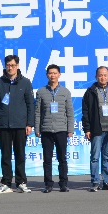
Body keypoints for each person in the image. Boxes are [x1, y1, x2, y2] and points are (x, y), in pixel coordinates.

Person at [0, 54, 35, 194]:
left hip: (20, 124)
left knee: (20, 155)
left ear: (18, 66)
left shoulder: (25, 82)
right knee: (5, 155)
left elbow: (30, 105)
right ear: (5, 66)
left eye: (13, 65)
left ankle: (21, 182)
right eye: (8, 65)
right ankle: (6, 183)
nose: (10, 68)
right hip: (3, 124)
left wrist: (30, 123)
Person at [35, 64, 74, 192]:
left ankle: (63, 184)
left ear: (59, 75)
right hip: (46, 130)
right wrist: (37, 129)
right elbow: (38, 112)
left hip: (61, 130)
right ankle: (48, 184)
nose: (53, 75)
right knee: (47, 159)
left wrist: (70, 129)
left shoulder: (65, 92)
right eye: (50, 73)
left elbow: (70, 112)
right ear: (47, 75)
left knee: (62, 159)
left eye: (55, 73)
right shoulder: (41, 92)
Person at [82, 66, 108, 191]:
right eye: (100, 75)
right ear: (96, 77)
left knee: (107, 157)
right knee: (95, 157)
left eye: (105, 75)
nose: (102, 77)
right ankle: (95, 182)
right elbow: (85, 112)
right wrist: (87, 129)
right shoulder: (90, 92)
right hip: (96, 129)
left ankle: (107, 181)